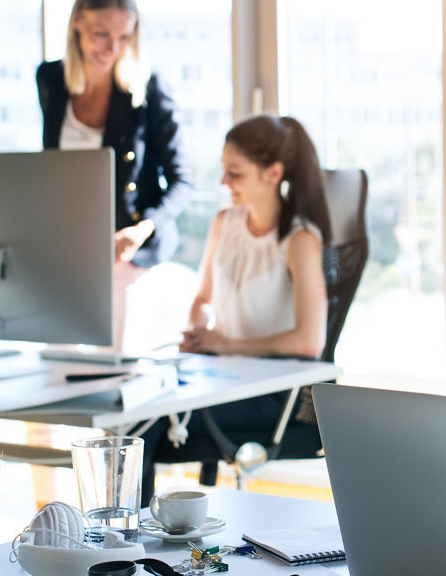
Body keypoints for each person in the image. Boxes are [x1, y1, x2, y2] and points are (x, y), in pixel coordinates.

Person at [141, 114, 332, 502]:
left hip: (275, 392)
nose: (224, 182)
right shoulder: (225, 222)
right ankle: (123, 539)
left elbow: (310, 341)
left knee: (145, 427)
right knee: (135, 409)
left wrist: (226, 345)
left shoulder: (299, 240)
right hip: (222, 377)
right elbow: (202, 299)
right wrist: (198, 332)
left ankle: (122, 544)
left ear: (273, 173)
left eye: (235, 173)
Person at [37, 0, 192, 347]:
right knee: (56, 357)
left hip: (129, 245)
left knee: (112, 363)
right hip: (71, 243)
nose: (113, 48)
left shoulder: (148, 89)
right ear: (77, 23)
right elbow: (51, 170)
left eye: (124, 37)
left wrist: (142, 230)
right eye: (101, 34)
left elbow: (182, 181)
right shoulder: (51, 80)